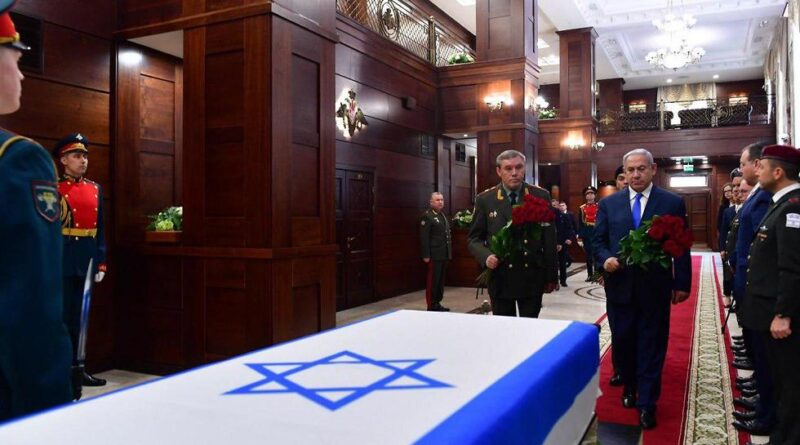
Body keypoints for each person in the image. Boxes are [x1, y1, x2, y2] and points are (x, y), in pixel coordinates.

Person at [0, 1, 73, 420]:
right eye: (15, 55)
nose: (22, 73)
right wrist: (50, 413)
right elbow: (29, 313)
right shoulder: (16, 159)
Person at [593, 148, 692, 429]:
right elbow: (598, 241)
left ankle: (647, 402)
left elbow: (681, 245)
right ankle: (629, 385)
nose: (635, 175)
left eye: (641, 169)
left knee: (652, 344)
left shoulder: (671, 202)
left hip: (655, 287)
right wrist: (604, 260)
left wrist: (682, 282)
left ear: (652, 169)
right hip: (620, 287)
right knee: (623, 341)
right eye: (630, 170)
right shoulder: (609, 204)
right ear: (624, 173)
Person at [743, 144, 800, 445]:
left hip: (779, 315)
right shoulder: (781, 203)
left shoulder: (792, 207)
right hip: (767, 309)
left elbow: (792, 267)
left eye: (761, 166)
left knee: (789, 383)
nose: (757, 170)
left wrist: (783, 314)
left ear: (777, 172)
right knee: (779, 379)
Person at [467, 149, 558, 318]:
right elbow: (474, 239)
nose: (514, 173)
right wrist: (486, 256)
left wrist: (552, 276)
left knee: (529, 327)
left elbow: (549, 239)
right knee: (504, 328)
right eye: (508, 168)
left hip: (531, 275)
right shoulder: (485, 199)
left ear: (524, 169)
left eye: (519, 167)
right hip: (501, 276)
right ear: (499, 171)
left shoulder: (540, 195)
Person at [54, 133, 108, 399]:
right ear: (64, 160)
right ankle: (61, 370)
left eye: (85, 156)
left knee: (81, 319)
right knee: (62, 318)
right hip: (63, 258)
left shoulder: (95, 189)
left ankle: (79, 369)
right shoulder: (54, 189)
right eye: (77, 156)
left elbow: (100, 230)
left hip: (86, 258)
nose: (83, 160)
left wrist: (101, 261)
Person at [732, 142, 777, 436]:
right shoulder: (759, 194)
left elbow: (762, 245)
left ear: (758, 163)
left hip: (757, 283)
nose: (742, 168)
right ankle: (762, 400)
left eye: (743, 163)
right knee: (759, 351)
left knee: (766, 354)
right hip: (748, 279)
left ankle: (767, 412)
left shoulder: (764, 197)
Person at [419, 192, 451, 312]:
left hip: (443, 254)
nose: (440, 202)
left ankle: (437, 303)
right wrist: (426, 255)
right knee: (433, 281)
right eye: (437, 200)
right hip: (434, 255)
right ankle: (431, 305)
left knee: (440, 281)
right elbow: (424, 237)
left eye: (442, 200)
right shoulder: (427, 216)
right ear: (431, 202)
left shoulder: (441, 215)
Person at [719, 172, 743, 307]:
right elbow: (723, 231)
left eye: (738, 188)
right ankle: (727, 295)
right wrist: (722, 248)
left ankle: (737, 299)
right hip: (729, 246)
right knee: (727, 272)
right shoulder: (728, 211)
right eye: (734, 189)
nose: (735, 192)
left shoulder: (745, 209)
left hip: (740, 246)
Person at [577, 186, 598, 281]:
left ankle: (597, 275)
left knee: (597, 255)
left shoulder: (599, 206)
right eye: (587, 194)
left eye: (592, 193)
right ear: (585, 196)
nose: (590, 195)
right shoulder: (582, 208)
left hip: (597, 232)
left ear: (595, 195)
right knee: (588, 256)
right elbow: (580, 223)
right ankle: (590, 275)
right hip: (587, 233)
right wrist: (580, 237)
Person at [555, 202, 576, 287]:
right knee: (552, 263)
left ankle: (563, 280)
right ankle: (553, 281)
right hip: (551, 242)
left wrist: (569, 238)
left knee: (562, 262)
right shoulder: (548, 217)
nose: (554, 207)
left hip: (562, 242)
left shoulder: (565, 216)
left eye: (555, 205)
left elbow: (570, 229)